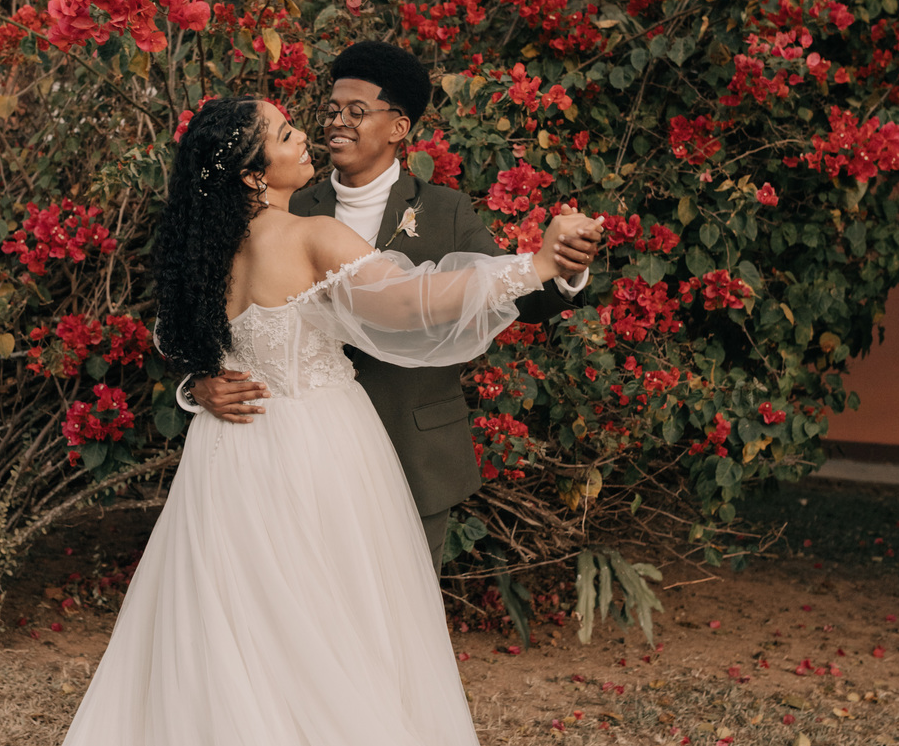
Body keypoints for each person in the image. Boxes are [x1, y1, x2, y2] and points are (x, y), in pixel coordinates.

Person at [0, 94, 604, 746]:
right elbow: (419, 302)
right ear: (253, 174)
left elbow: (183, 338)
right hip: (316, 451)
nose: (304, 137)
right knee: (335, 633)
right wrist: (535, 262)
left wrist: (201, 383)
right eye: (285, 134)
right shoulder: (309, 235)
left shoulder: (201, 251)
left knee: (235, 642)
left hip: (228, 464)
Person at [183, 40, 601, 572]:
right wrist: (199, 381)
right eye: (331, 110)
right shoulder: (291, 206)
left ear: (398, 127)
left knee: (393, 610)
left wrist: (561, 267)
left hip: (412, 453)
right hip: (289, 460)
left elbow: (512, 294)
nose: (335, 123)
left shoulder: (446, 210)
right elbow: (203, 311)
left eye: (356, 112)